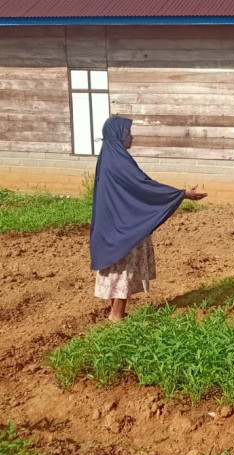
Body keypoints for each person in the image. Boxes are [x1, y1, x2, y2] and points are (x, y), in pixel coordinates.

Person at [90, 116, 207, 321]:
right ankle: (116, 316)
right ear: (118, 135)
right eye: (128, 133)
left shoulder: (109, 156)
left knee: (118, 265)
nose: (131, 137)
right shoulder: (118, 160)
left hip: (112, 223)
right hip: (124, 225)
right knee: (124, 265)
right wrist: (181, 194)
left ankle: (116, 311)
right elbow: (142, 185)